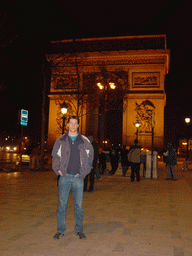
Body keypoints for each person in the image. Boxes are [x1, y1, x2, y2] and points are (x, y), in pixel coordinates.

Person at [52, 116, 94, 240]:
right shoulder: (60, 140)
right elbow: (55, 156)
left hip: (78, 178)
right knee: (61, 206)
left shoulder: (84, 140)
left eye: (75, 123)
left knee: (79, 206)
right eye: (71, 123)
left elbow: (90, 157)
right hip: (64, 177)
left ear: (78, 125)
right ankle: (60, 230)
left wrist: (83, 173)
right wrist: (57, 169)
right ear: (68, 125)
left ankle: (79, 230)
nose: (73, 125)